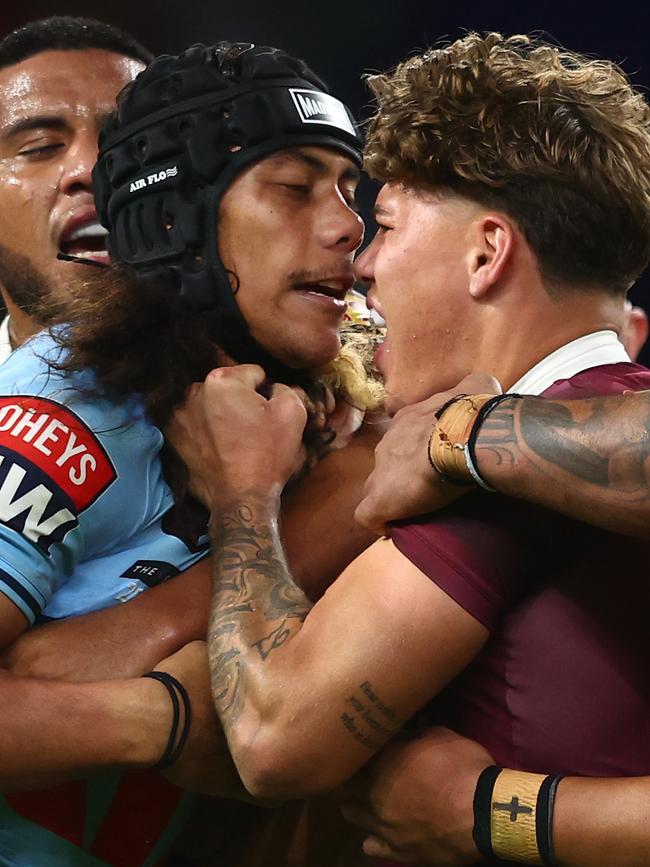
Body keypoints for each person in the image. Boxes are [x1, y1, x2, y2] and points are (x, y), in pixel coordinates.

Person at [165, 32, 650, 867]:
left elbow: (275, 734)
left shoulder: (506, 476)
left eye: (384, 224)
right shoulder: (586, 426)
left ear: (487, 253)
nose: (364, 266)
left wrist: (244, 489)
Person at [0, 21, 379, 867]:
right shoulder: (68, 394)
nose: (350, 227)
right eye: (293, 187)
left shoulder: (336, 408)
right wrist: (159, 716)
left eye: (351, 190)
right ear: (176, 215)